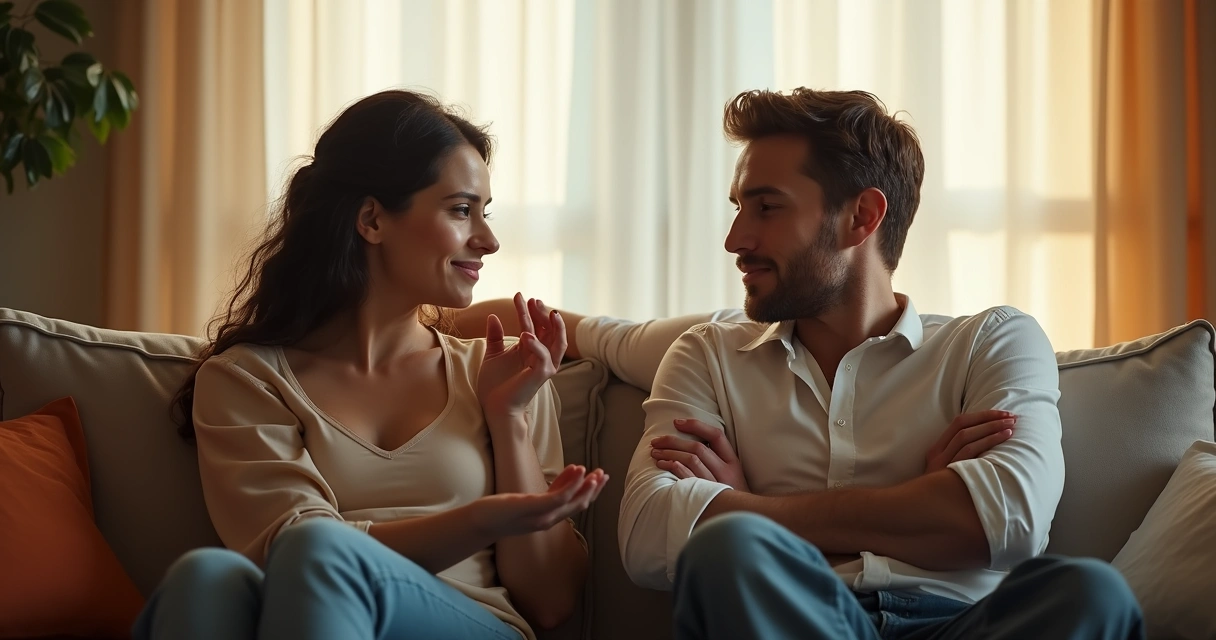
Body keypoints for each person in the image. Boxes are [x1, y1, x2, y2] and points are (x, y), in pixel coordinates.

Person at [455, 88, 1143, 639]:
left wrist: (751, 506)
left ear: (861, 219)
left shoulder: (991, 342)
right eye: (738, 208)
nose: (735, 238)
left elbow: (1011, 521)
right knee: (731, 555)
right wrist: (923, 505)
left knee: (1090, 593)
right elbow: (648, 539)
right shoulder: (709, 354)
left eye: (766, 208)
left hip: (961, 624)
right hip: (794, 620)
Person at [133, 90, 607, 640]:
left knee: (314, 550)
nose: (489, 240)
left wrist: (510, 419)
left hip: (472, 627)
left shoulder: (503, 374)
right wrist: (481, 519)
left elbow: (549, 603)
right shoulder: (247, 380)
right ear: (372, 220)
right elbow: (287, 552)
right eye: (461, 210)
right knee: (205, 577)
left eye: (486, 212)